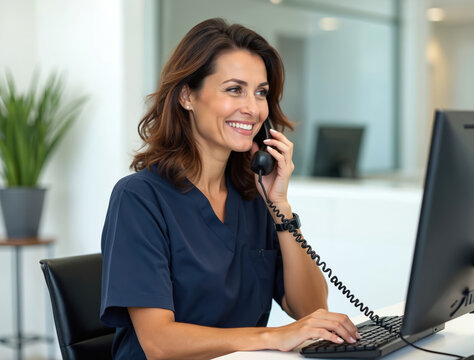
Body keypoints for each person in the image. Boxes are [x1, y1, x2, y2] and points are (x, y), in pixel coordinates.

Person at [100, 18, 360, 359]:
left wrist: (280, 206)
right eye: (234, 89)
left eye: (261, 92)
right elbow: (159, 343)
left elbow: (310, 308)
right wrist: (273, 337)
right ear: (187, 96)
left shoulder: (255, 197)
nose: (252, 108)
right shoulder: (139, 198)